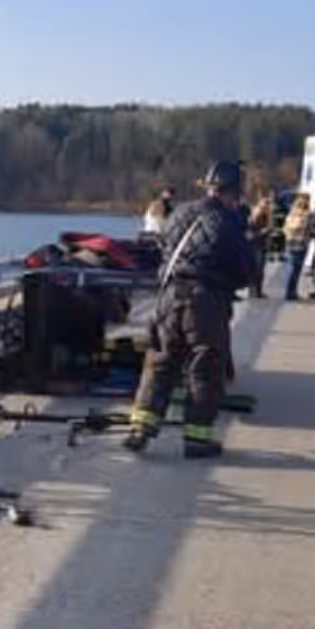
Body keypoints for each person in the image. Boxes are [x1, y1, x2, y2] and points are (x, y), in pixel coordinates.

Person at [124, 160, 254, 459]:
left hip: (169, 297)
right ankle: (197, 439)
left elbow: (163, 247)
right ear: (233, 191)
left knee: (160, 361)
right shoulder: (230, 222)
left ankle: (141, 429)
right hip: (206, 301)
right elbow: (247, 270)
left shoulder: (181, 212)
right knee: (204, 368)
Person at [283, 192, 314, 301]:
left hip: (290, 243)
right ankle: (291, 293)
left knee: (291, 269)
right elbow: (309, 230)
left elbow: (285, 229)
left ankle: (289, 291)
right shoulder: (307, 215)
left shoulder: (292, 213)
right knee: (296, 270)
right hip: (301, 245)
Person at [247, 193, 273, 298]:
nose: (268, 206)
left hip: (260, 244)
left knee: (258, 269)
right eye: (266, 204)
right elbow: (250, 234)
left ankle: (256, 291)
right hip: (256, 245)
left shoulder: (264, 215)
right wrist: (264, 231)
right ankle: (255, 291)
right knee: (257, 269)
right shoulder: (257, 216)